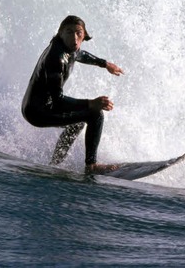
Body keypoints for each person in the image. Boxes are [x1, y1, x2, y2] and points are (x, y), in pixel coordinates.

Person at [22, 15, 124, 174]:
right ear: (61, 33)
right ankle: (91, 166)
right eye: (69, 32)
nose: (75, 39)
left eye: (79, 33)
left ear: (84, 35)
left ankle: (55, 163)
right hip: (37, 112)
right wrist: (91, 103)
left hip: (35, 107)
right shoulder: (56, 59)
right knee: (95, 115)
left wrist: (105, 64)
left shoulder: (67, 48)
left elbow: (80, 55)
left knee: (77, 122)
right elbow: (58, 101)